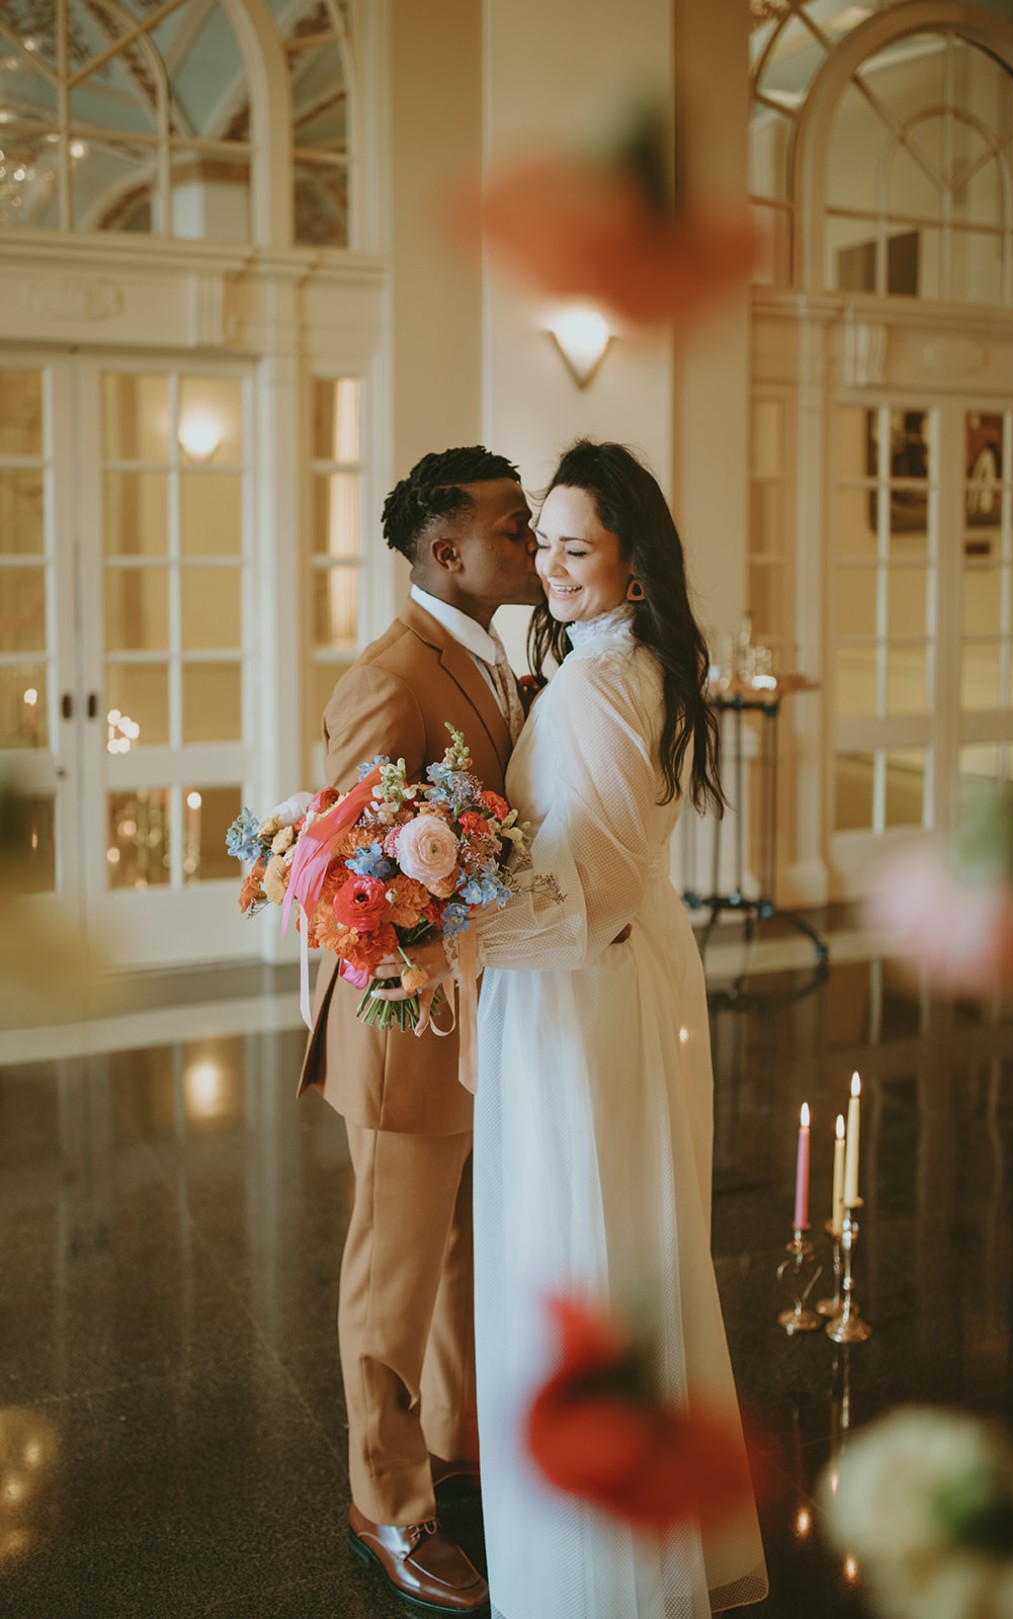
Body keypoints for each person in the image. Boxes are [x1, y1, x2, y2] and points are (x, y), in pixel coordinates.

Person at [377, 439, 767, 1617]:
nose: (546, 563)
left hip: (580, 1003)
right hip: (615, 991)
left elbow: (581, 903)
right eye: (539, 538)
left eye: (574, 545)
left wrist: (448, 934)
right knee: (622, 1248)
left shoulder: (596, 686)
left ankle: (602, 1573)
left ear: (633, 567)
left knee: (577, 1254)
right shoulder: (620, 665)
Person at [297, 444, 543, 1615]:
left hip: (471, 1018)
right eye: (512, 524)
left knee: (457, 1256)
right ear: (447, 552)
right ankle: (384, 1505)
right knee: (389, 1278)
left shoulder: (492, 659)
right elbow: (336, 875)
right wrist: (421, 909)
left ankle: (448, 1448)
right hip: (406, 1027)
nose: (532, 538)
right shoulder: (393, 673)